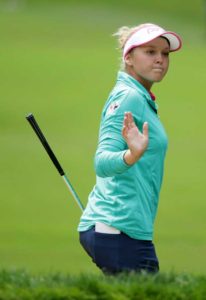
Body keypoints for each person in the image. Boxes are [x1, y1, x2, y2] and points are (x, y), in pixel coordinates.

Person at [78, 23, 182, 274]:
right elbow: (102, 162)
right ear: (129, 58)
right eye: (150, 52)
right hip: (118, 231)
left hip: (123, 230)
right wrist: (131, 154)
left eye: (165, 54)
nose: (160, 60)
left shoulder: (140, 95)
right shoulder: (129, 97)